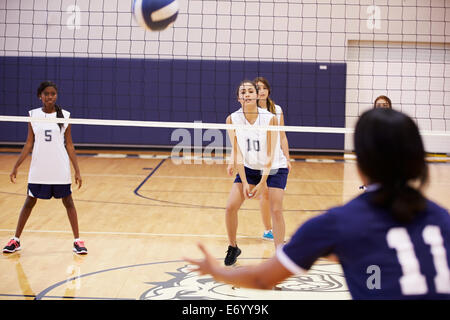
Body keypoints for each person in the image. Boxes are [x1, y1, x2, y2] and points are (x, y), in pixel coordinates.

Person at [185, 108, 450, 299]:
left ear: (360, 162)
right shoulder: (443, 219)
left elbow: (261, 279)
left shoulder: (337, 224)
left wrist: (216, 272)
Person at [3, 81, 88, 255]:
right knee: (29, 201)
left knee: (68, 202)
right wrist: (16, 166)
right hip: (39, 167)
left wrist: (77, 170)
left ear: (56, 96)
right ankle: (16, 239)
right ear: (39, 96)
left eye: (53, 94)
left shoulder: (64, 115)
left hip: (59, 167)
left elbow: (70, 145)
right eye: (46, 94)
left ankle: (77, 241)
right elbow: (28, 144)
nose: (50, 97)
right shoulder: (33, 115)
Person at [223, 80, 289, 266]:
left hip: (274, 167)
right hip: (250, 168)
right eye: (243, 91)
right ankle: (233, 246)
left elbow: (270, 154)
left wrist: (262, 183)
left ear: (256, 94)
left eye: (251, 91)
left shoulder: (270, 118)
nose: (248, 94)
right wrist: (244, 181)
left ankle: (280, 253)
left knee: (275, 209)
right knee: (230, 207)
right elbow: (237, 152)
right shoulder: (231, 119)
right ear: (238, 98)